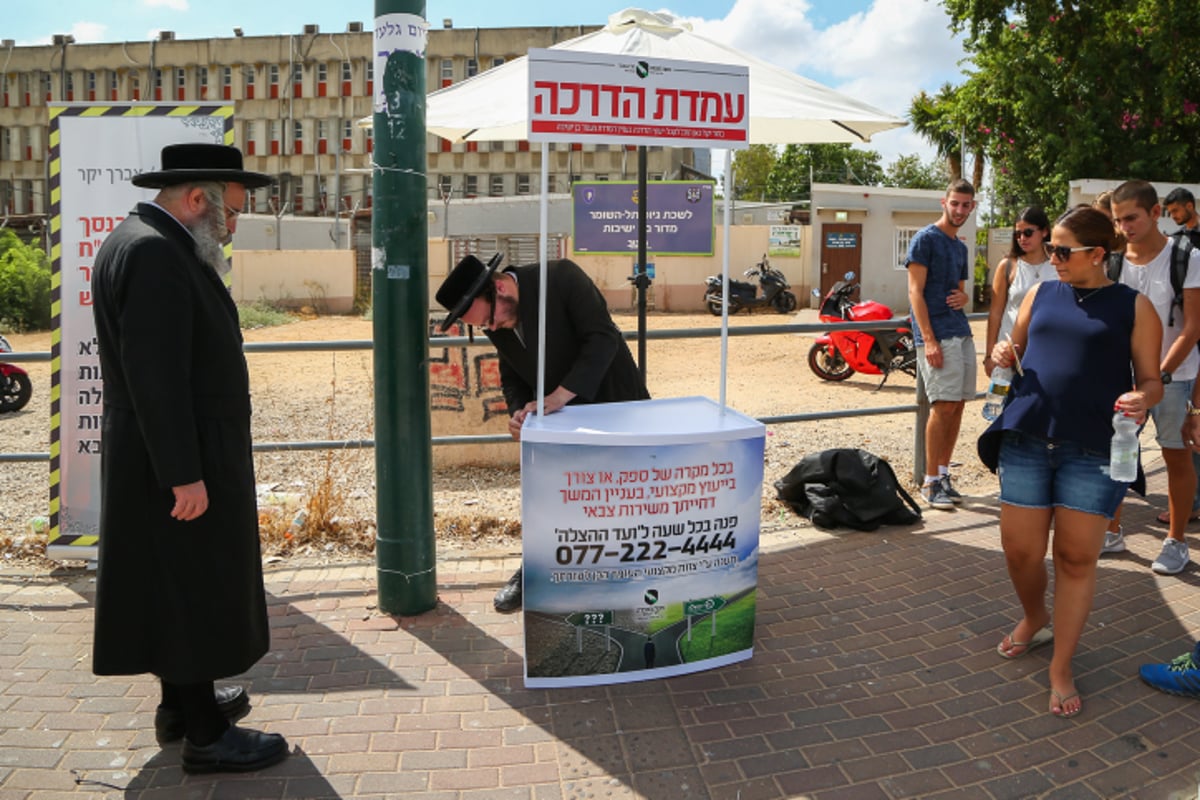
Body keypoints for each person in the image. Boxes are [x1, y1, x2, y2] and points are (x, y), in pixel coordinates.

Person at [91, 143, 289, 774]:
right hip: (180, 456)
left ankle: (181, 704)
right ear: (197, 199)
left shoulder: (147, 240)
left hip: (172, 449)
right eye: (229, 213)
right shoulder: (153, 253)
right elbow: (157, 378)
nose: (232, 227)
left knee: (175, 583)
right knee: (198, 582)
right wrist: (184, 474)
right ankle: (205, 736)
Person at [980, 206, 1163, 718]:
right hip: (1026, 436)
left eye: (1062, 250)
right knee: (1019, 551)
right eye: (1050, 249)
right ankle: (1036, 616)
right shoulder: (1040, 293)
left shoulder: (1135, 306)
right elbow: (1012, 350)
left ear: (1098, 255)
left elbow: (1152, 380)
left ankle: (1061, 665)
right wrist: (1000, 354)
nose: (1050, 257)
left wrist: (1142, 398)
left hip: (1094, 449)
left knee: (1076, 560)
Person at [435, 254, 650, 611]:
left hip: (615, 405)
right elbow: (510, 371)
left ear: (500, 287)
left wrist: (559, 396)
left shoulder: (562, 278)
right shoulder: (496, 320)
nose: (493, 330)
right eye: (484, 328)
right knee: (552, 500)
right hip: (558, 421)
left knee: (622, 499)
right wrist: (519, 410)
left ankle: (629, 580)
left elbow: (602, 338)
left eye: (490, 320)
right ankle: (534, 571)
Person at [1101, 180, 1200, 574]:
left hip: (1173, 376)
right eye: (1118, 220)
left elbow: (1192, 327)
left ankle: (1176, 540)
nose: (1124, 226)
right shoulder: (1112, 262)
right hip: (1124, 377)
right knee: (1118, 454)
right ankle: (1112, 530)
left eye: (1131, 218)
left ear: (1155, 213)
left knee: (1176, 455)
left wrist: (1157, 377)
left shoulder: (1186, 257)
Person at [906, 179, 977, 510]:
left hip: (960, 331)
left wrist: (964, 297)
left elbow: (959, 292)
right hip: (936, 335)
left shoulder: (960, 247)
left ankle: (944, 474)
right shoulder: (925, 240)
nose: (960, 210)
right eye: (955, 203)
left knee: (959, 404)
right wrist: (929, 339)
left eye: (966, 205)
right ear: (943, 202)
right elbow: (914, 292)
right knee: (943, 406)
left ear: (972, 207)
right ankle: (930, 481)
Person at [984, 206, 1054, 378]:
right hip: (1007, 354)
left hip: (1045, 351)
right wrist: (989, 355)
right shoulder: (1008, 265)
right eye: (1018, 234)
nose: (1022, 238)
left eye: (1028, 232)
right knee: (999, 403)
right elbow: (995, 312)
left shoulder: (1058, 266)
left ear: (1044, 232)